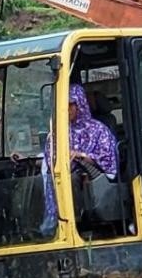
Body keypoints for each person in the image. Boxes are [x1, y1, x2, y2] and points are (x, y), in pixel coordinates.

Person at [39, 84, 119, 235]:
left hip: (91, 180)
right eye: (64, 105)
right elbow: (49, 159)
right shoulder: (58, 133)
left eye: (70, 105)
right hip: (61, 178)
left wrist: (82, 156)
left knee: (74, 180)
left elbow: (108, 161)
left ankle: (78, 224)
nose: (67, 110)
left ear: (80, 104)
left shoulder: (98, 129)